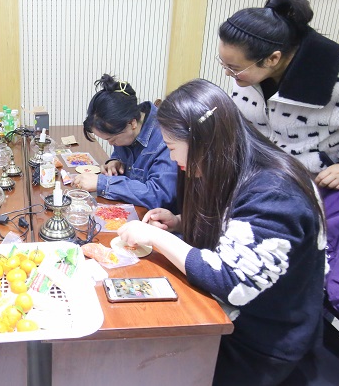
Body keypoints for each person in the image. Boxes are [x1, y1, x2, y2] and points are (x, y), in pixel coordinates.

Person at [118, 79, 326, 386]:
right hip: (231, 317)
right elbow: (236, 224)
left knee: (141, 361)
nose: (173, 159)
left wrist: (157, 237)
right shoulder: (238, 163)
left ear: (202, 140)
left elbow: (232, 282)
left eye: (172, 148)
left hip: (261, 341)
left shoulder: (276, 193)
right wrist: (180, 221)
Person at [217, 0, 339, 191]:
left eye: (234, 68)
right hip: (273, 178)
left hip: (325, 186)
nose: (228, 73)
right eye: (224, 64)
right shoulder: (251, 74)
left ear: (273, 59)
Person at [75, 74, 178, 210]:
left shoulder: (165, 138)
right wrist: (115, 161)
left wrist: (102, 183)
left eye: (112, 139)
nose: (111, 144)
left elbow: (159, 195)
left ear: (132, 123)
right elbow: (123, 155)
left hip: (156, 218)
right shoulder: (127, 121)